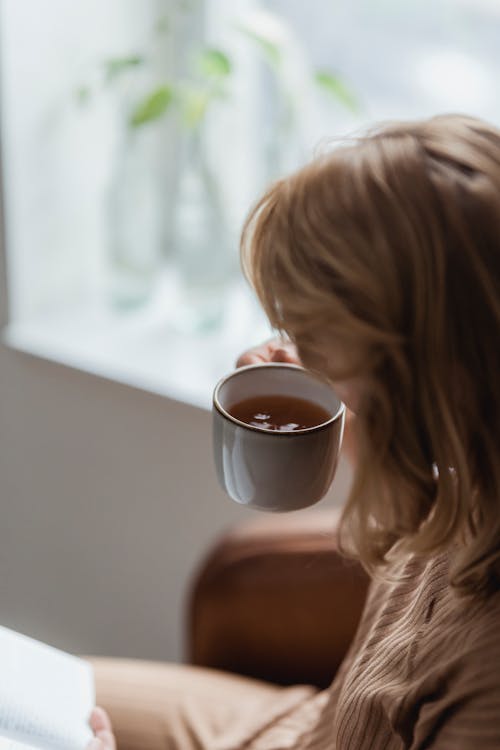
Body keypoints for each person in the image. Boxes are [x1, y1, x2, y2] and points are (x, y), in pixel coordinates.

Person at [92, 114, 500, 749]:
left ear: (418, 384)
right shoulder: (467, 469)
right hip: (301, 730)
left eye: (321, 348)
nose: (300, 361)